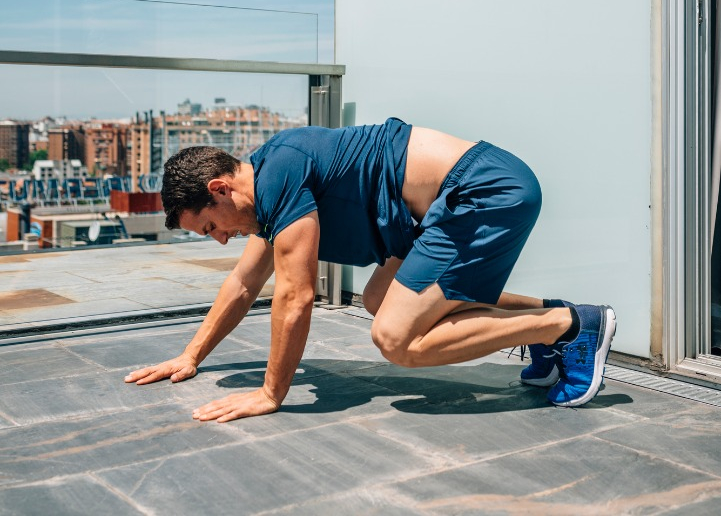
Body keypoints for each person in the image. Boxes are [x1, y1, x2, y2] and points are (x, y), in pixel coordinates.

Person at [125, 118, 616, 422]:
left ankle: (571, 326)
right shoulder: (268, 180)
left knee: (396, 339)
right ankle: (551, 318)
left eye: (210, 226)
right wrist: (190, 356)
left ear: (218, 188)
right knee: (383, 301)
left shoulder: (279, 176)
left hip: (481, 191)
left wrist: (271, 394)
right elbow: (243, 282)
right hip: (441, 212)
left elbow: (295, 296)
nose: (220, 238)